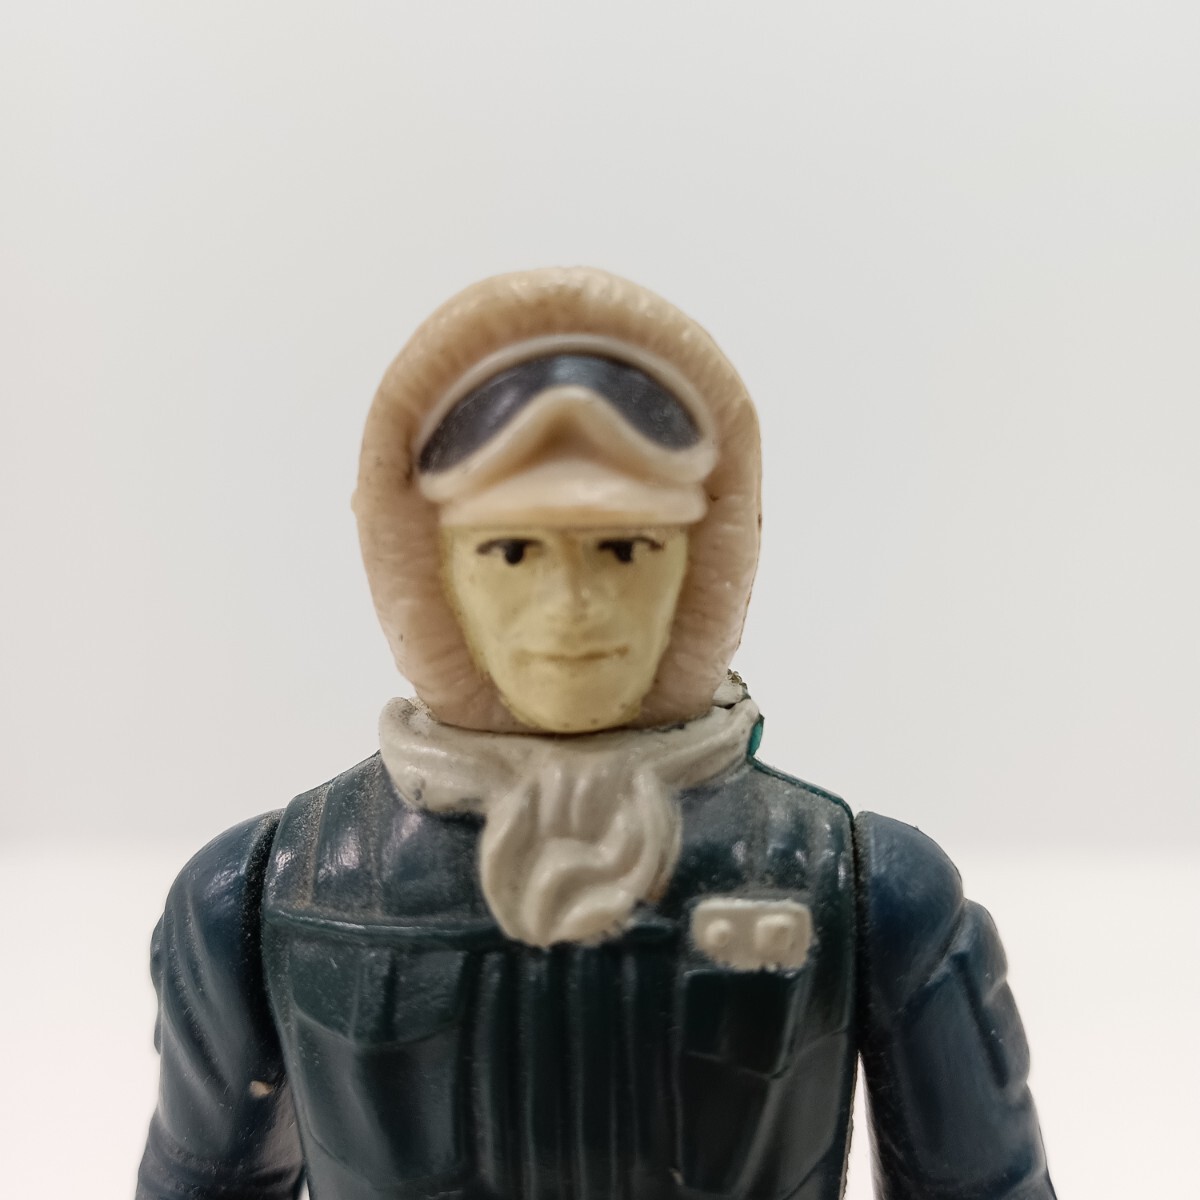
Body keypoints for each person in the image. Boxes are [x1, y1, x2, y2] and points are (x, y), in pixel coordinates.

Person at [137, 268, 1055, 1200]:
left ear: (698, 560)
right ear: (429, 564)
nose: (571, 606)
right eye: (511, 551)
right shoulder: (267, 892)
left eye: (624, 548)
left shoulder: (862, 891)